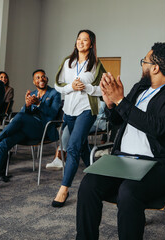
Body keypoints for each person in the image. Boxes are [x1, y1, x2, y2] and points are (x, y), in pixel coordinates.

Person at [76, 42, 165, 240]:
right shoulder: (141, 87)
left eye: (144, 61)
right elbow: (117, 121)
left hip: (158, 164)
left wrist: (122, 101)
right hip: (122, 161)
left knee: (128, 192)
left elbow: (157, 127)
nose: (142, 65)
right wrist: (111, 104)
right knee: (88, 185)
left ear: (155, 68)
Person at [0, 69, 61, 194]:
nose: (41, 79)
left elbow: (53, 114)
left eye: (43, 77)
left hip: (44, 129)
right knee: (6, 142)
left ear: (47, 79)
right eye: (38, 78)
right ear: (34, 81)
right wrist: (28, 105)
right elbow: (24, 113)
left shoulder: (55, 93)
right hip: (27, 129)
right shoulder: (33, 93)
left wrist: (39, 103)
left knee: (19, 118)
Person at [53, 29, 106, 207]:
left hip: (86, 110)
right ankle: (97, 174)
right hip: (68, 110)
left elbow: (104, 89)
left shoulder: (97, 65)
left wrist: (87, 88)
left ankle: (64, 189)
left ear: (91, 43)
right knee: (83, 146)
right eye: (78, 39)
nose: (80, 42)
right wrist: (71, 87)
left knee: (73, 147)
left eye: (85, 40)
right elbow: (57, 85)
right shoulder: (68, 62)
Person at [46, 100, 107, 170]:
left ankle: (60, 157)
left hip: (98, 123)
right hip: (85, 119)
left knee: (73, 131)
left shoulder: (103, 95)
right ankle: (60, 157)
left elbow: (105, 110)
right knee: (71, 129)